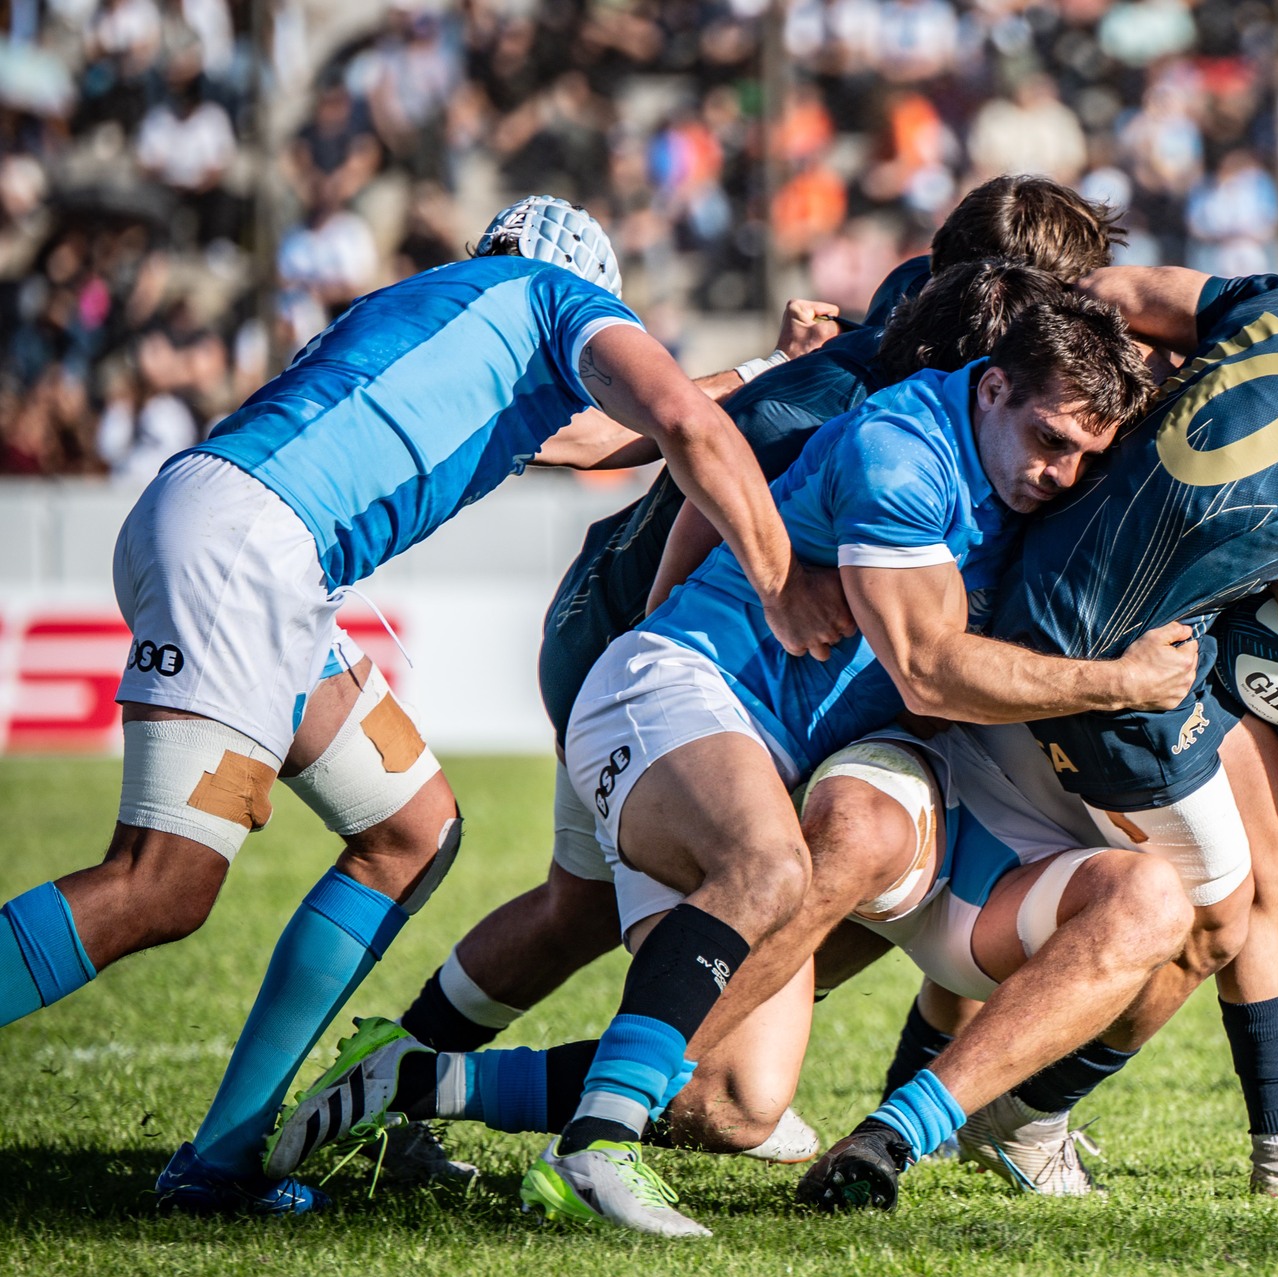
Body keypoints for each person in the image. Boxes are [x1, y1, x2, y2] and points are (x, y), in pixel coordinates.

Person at [0, 196, 842, 1218]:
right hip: (252, 555)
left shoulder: (441, 311)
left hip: (243, 538)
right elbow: (677, 419)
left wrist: (768, 371)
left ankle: (221, 1157)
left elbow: (580, 441)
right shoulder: (559, 295)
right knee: (159, 884)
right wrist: (776, 575)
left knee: (411, 827)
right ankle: (219, 1158)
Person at [363, 178, 1128, 1173]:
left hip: (675, 657)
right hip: (642, 637)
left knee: (608, 924)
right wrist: (718, 622)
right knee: (653, 925)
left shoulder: (923, 319)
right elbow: (708, 464)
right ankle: (471, 1084)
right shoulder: (879, 382)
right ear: (1011, 299)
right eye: (1071, 296)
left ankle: (401, 1069)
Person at [804, 258, 1278, 1200]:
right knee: (1219, 914)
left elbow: (1116, 293)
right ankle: (1013, 1114)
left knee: (1261, 852)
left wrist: (1145, 429)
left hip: (1024, 580)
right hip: (1113, 669)